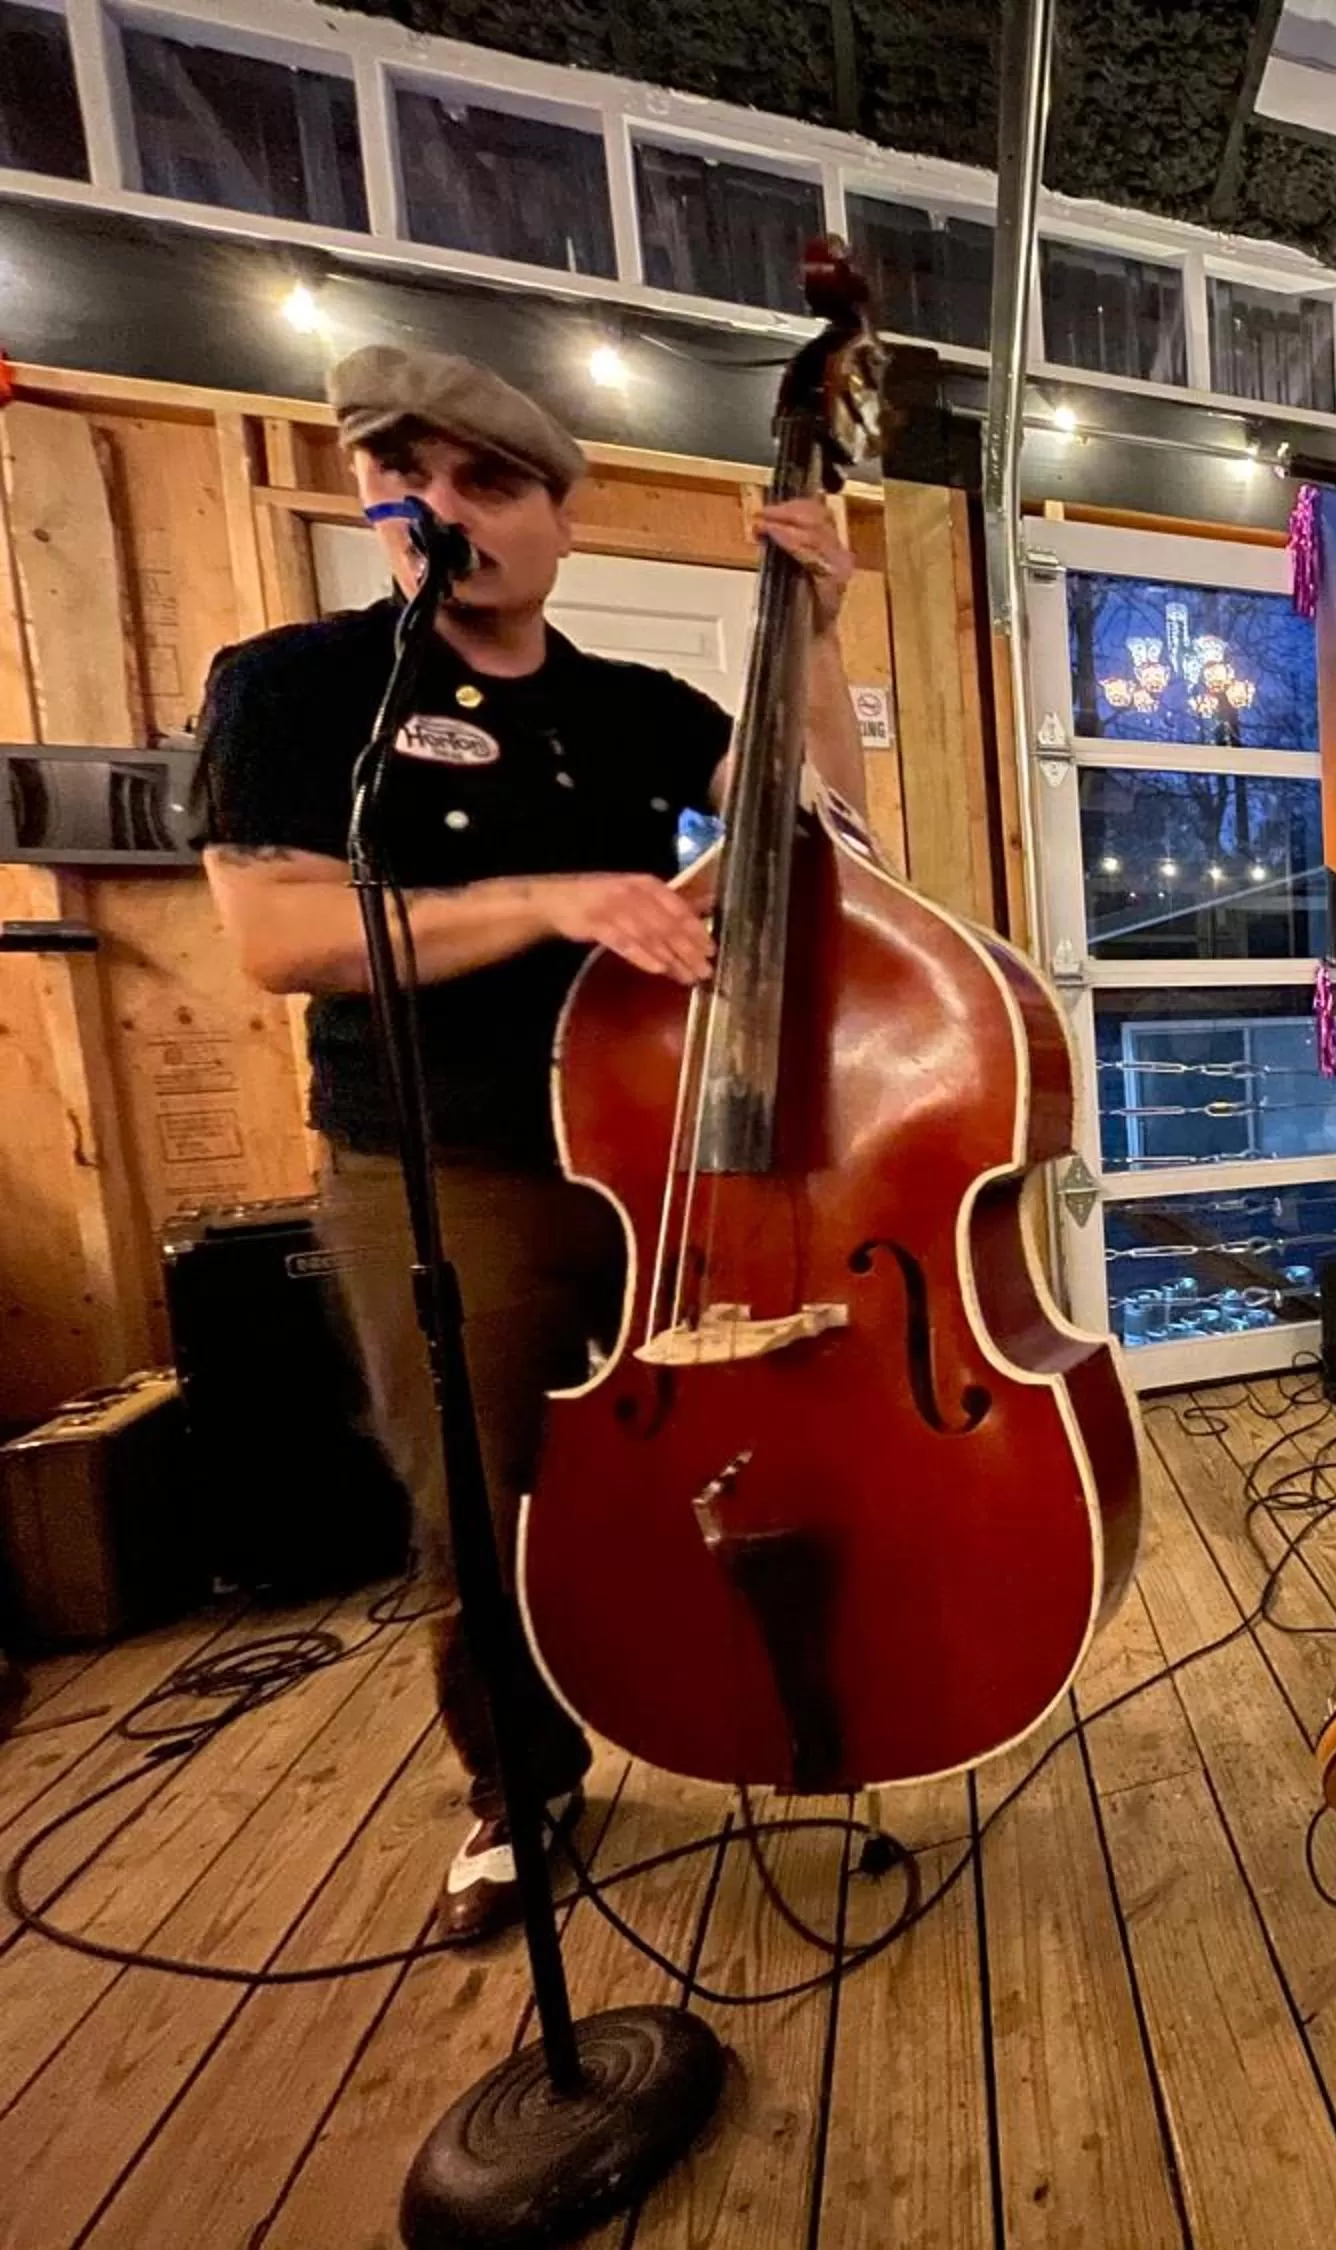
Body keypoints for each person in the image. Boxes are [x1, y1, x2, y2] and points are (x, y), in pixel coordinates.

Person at [196, 346, 867, 1942]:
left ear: (563, 518)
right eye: (406, 478)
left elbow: (830, 836)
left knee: (702, 1455)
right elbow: (278, 931)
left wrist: (821, 636)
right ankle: (522, 1785)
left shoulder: (637, 713)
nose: (439, 508)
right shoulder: (290, 688)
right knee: (477, 1500)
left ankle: (743, 1699)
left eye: (486, 482)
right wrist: (549, 900)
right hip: (445, 1165)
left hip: (648, 1158)